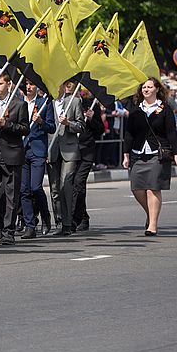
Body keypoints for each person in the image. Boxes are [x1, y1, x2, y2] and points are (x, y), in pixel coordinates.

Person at [123, 77, 177, 236]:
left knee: (153, 188)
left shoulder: (165, 109)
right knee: (136, 187)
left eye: (149, 87)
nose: (146, 90)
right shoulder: (136, 109)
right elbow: (129, 133)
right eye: (144, 87)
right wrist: (126, 153)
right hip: (138, 153)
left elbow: (171, 133)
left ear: (157, 89)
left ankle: (153, 225)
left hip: (157, 154)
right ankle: (150, 213)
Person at [0, 72, 29, 245]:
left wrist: (7, 124)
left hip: (11, 154)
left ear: (8, 85)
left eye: (0, 84)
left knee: (11, 194)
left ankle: (9, 230)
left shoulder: (19, 105)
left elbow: (25, 129)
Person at [47, 79, 85, 236]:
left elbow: (81, 126)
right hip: (52, 149)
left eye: (58, 84)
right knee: (55, 188)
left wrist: (68, 123)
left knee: (66, 185)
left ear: (64, 86)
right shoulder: (47, 103)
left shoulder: (74, 101)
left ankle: (68, 224)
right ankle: (59, 221)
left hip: (69, 149)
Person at [19, 81, 55, 239]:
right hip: (21, 150)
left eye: (32, 84)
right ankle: (30, 225)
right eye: (26, 84)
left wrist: (41, 122)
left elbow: (52, 127)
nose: (29, 87)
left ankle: (45, 215)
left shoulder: (44, 103)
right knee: (23, 190)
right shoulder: (18, 103)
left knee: (35, 187)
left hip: (37, 150)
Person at [72, 89, 105, 231]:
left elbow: (100, 130)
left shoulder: (90, 104)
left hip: (86, 150)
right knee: (72, 185)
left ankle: (76, 218)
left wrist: (92, 118)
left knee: (79, 183)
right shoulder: (65, 104)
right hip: (70, 150)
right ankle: (81, 216)